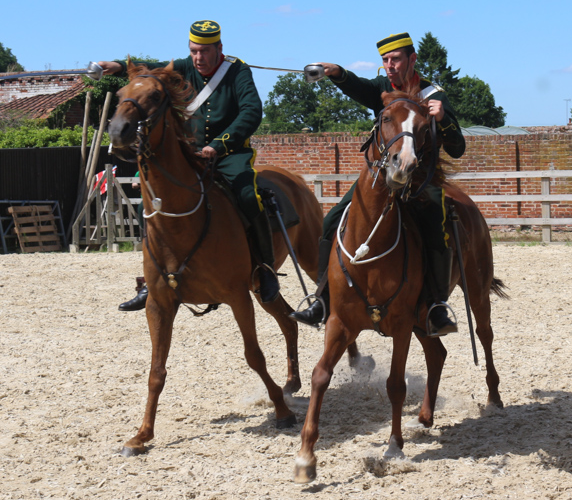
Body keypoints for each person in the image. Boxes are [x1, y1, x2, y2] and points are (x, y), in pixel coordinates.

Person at [289, 32, 467, 336]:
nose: (389, 66)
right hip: (381, 181)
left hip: (421, 181)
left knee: (436, 228)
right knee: (332, 220)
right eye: (385, 60)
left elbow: (457, 149)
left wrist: (444, 119)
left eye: (395, 59)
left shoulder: (434, 93)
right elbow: (358, 87)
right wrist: (337, 73)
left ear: (411, 59)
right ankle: (321, 300)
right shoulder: (382, 89)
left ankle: (435, 307)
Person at [97, 20, 279, 311]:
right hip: (188, 153)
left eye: (205, 52)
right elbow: (151, 67)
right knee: (155, 202)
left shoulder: (237, 71)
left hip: (228, 154)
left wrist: (218, 145)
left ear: (219, 48)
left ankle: (265, 270)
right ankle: (151, 280)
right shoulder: (185, 66)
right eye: (194, 51)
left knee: (248, 195)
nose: (198, 58)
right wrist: (119, 65)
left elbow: (251, 111)